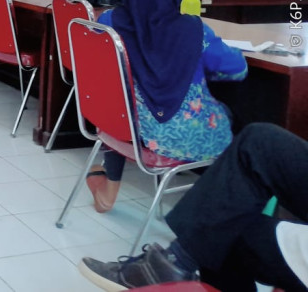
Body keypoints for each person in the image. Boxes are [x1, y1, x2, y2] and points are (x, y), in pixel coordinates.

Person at [86, 0, 246, 213]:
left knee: (124, 95)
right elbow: (237, 69)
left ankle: (109, 190)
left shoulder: (108, 23)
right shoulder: (195, 30)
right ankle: (219, 203)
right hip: (179, 138)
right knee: (229, 113)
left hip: (118, 124)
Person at [79, 123, 308, 292]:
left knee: (223, 220)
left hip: (136, 128)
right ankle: (172, 263)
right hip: (170, 129)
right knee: (242, 131)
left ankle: (172, 263)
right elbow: (232, 73)